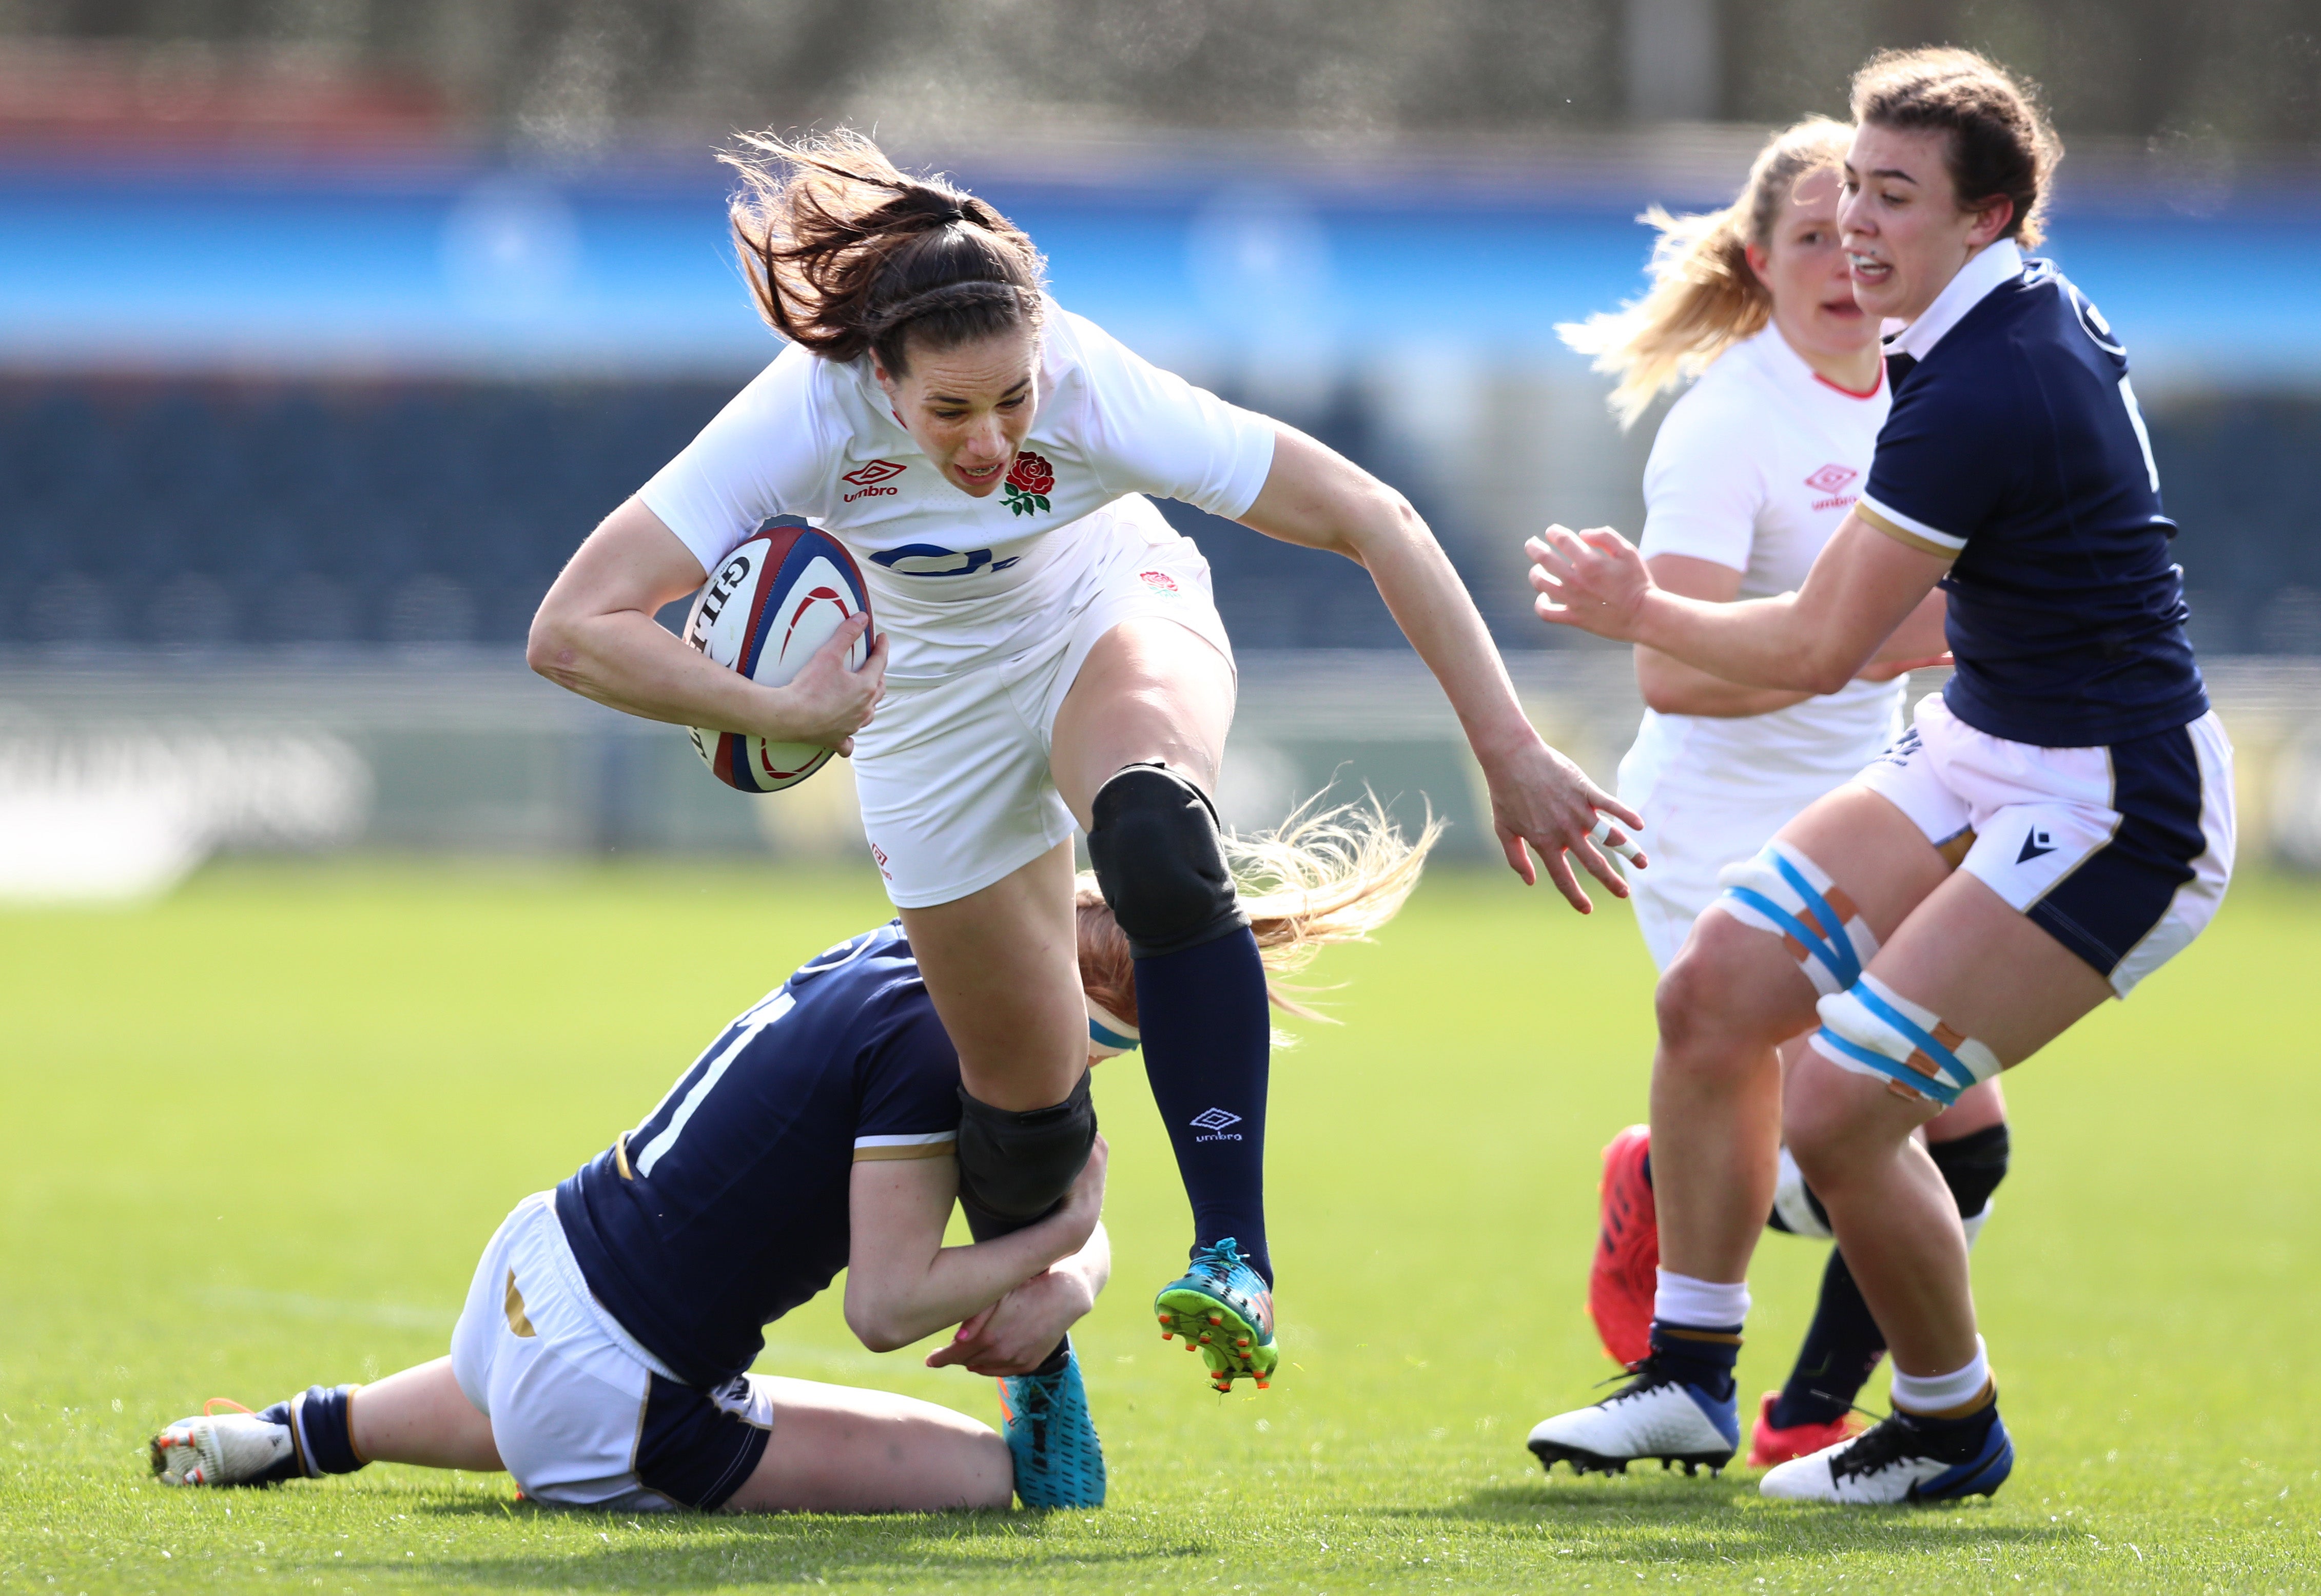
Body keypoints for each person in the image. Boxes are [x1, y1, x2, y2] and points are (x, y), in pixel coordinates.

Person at [523, 130, 1638, 1393]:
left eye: (1014, 396)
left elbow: (1370, 517)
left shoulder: (1099, 392)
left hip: (1102, 611)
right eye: (949, 410)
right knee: (1022, 1107)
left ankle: (1233, 1254)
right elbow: (571, 631)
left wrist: (1507, 748)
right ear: (876, 376)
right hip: (920, 709)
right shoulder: (800, 412)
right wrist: (777, 710)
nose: (993, 438)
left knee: (1159, 836)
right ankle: (1041, 1350)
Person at [1522, 47, 2232, 1504]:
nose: (1858, 221)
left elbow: (1818, 640)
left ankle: (1944, 1427)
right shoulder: (1971, 324)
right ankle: (1690, 1375)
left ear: (1989, 218)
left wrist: (1633, 605)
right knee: (1713, 993)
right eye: (1851, 185)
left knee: (1847, 1111)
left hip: (2110, 803)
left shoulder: (1987, 376)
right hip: (1982, 747)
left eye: (1893, 196)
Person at [150, 799, 1439, 1509]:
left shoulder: (911, 942)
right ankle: (334, 1433)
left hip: (529, 1272)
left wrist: (1069, 1259)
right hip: (623, 1389)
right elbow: (882, 1309)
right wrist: (1058, 1247)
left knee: (547, 1388)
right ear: (1100, 1025)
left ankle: (299, 1433)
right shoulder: (960, 1047)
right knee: (1020, 1485)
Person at [1550, 117, 2010, 1469]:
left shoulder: (1927, 389)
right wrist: (1883, 641)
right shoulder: (1731, 420)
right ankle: (1724, 1377)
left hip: (1875, 813)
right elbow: (1672, 672)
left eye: (1856, 231)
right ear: (1759, 261)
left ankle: (1794, 1391)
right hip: (1716, 835)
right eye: (1806, 236)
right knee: (1877, 1122)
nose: (1838, 258)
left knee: (1957, 1146)